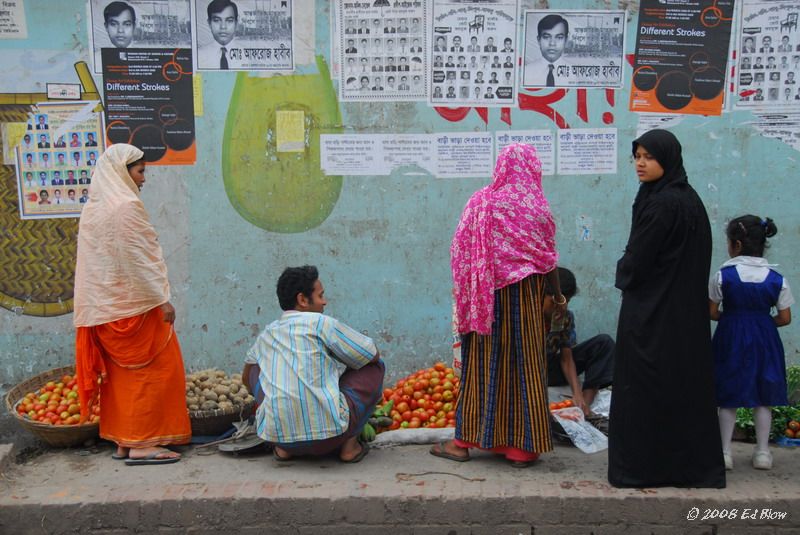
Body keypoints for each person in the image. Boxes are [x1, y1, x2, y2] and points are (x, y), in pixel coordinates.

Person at [430, 143, 564, 468]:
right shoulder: (539, 209)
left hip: (485, 300)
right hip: (527, 300)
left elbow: (459, 249)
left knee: (482, 366)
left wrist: (467, 290)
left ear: (500, 168)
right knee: (525, 367)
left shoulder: (482, 202)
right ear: (534, 169)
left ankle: (463, 443)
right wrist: (557, 297)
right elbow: (548, 262)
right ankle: (522, 450)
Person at [609, 129, 725, 488]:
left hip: (651, 316)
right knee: (682, 388)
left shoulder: (661, 204)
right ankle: (687, 469)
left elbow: (638, 261)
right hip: (683, 318)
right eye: (637, 156)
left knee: (642, 389)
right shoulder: (688, 199)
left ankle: (641, 470)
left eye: (649, 157)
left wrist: (624, 270)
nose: (640, 164)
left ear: (667, 160)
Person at [74, 143, 191, 466]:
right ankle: (143, 444)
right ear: (120, 172)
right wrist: (160, 299)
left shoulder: (95, 208)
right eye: (140, 171)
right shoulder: (125, 207)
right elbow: (138, 261)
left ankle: (126, 440)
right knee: (157, 373)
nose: (144, 178)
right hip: (136, 307)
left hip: (105, 309)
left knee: (122, 379)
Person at [243, 265, 384, 463]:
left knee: (255, 367)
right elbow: (371, 354)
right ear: (302, 300)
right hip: (329, 437)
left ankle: (284, 448)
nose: (324, 302)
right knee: (374, 366)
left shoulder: (267, 333)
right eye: (320, 296)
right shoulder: (321, 323)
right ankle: (350, 447)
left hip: (278, 436)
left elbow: (246, 378)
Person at [710, 216, 793, 472]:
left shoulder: (723, 275)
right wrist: (761, 323)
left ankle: (724, 452)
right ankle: (763, 453)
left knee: (728, 394)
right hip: (765, 338)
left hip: (731, 335)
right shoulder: (777, 278)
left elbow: (712, 311)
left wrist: (734, 319)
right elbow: (785, 317)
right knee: (763, 394)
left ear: (735, 244)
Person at [527, 14, 571, 87]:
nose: (552, 43)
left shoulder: (573, 73)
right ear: (538, 40)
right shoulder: (527, 71)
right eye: (546, 37)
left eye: (559, 37)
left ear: (566, 40)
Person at [199, 0, 239, 70]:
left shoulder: (248, 57)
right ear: (209, 23)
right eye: (216, 20)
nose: (223, 27)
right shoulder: (199, 55)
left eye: (229, 21)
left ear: (236, 23)